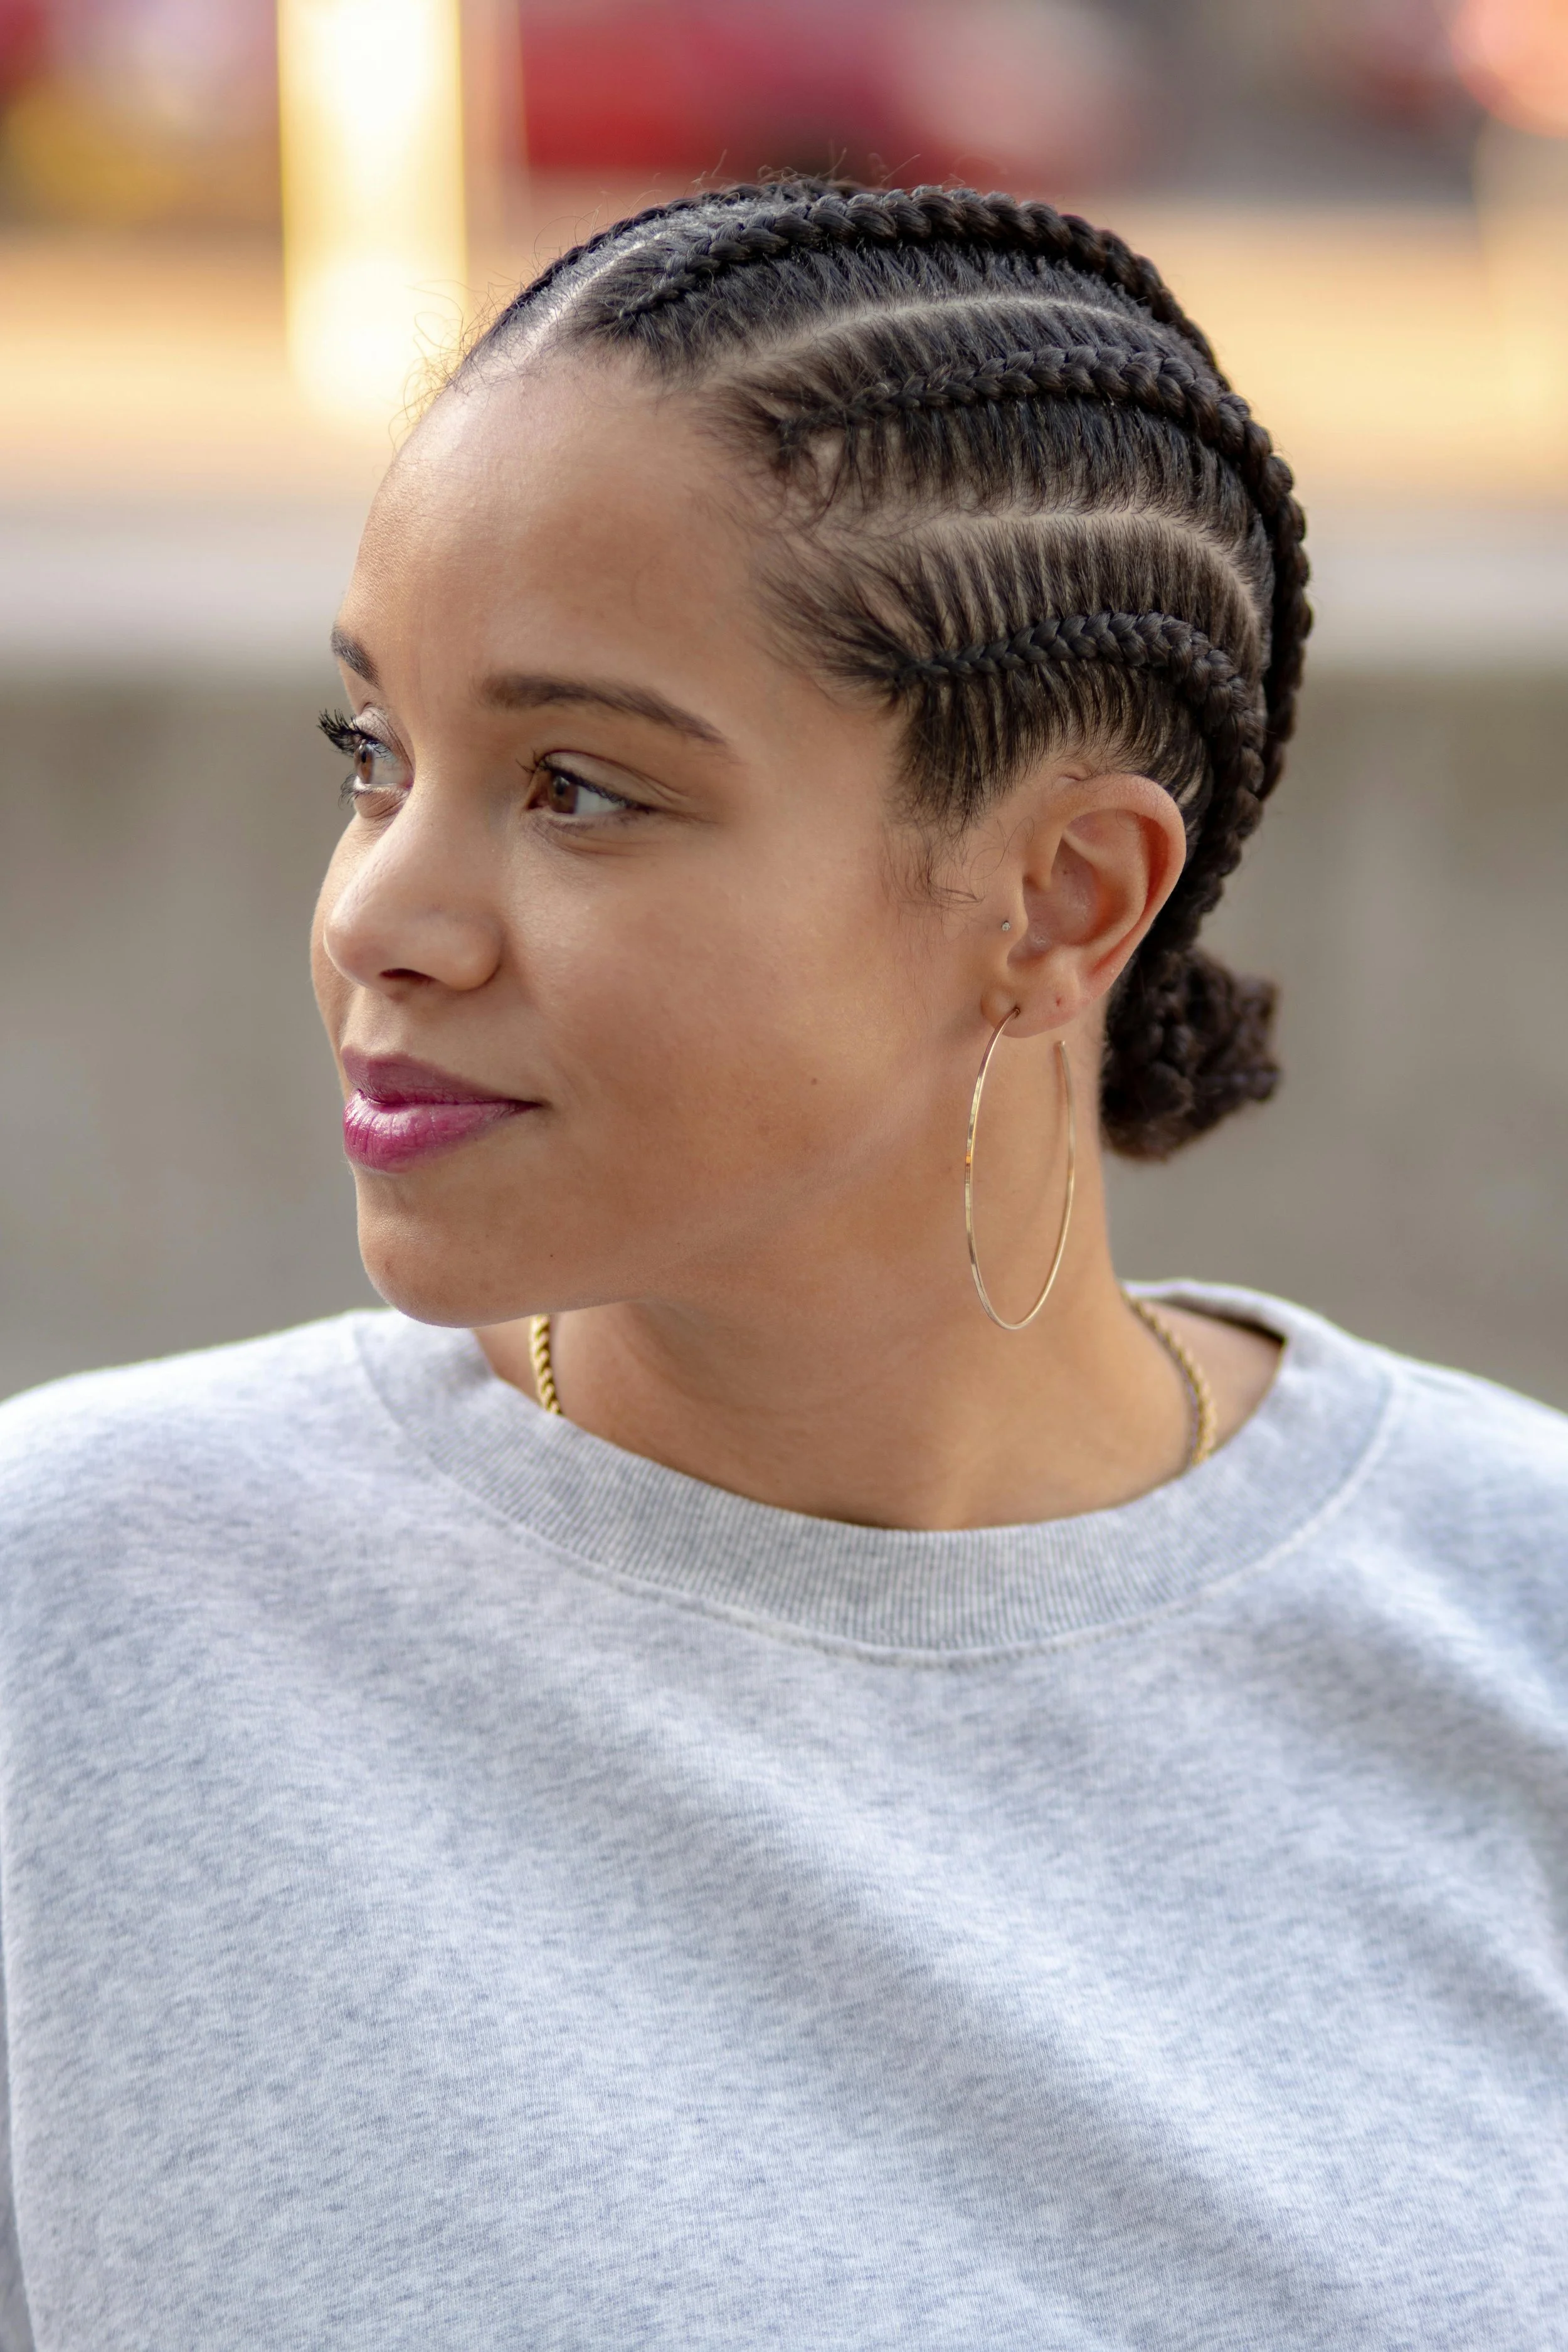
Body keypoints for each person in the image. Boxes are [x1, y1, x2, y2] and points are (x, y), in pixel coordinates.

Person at [1, 180, 1563, 2350]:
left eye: (574, 788)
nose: (379, 912)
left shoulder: (1520, 1626)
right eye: (377, 754)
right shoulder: (69, 1618)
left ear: (1059, 899)